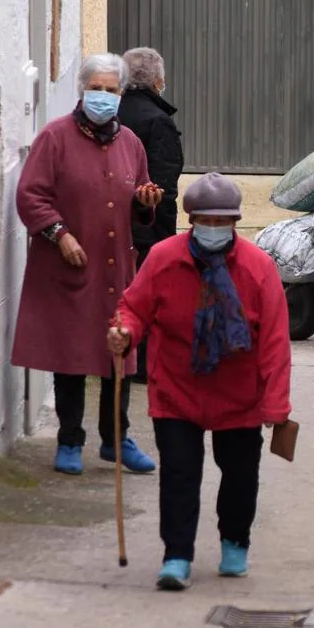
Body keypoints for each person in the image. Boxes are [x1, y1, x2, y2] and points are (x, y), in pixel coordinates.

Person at [107, 172, 292, 591]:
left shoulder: (258, 267)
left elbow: (276, 343)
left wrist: (275, 405)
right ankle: (176, 555)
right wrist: (124, 331)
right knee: (179, 474)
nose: (213, 229)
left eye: (222, 221)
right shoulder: (163, 258)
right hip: (177, 388)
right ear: (191, 220)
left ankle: (234, 542)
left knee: (241, 475)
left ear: (235, 221)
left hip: (239, 393)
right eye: (205, 221)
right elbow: (133, 307)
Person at [12, 53, 164, 475]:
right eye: (95, 89)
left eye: (110, 90)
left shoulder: (131, 143)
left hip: (116, 269)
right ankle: (70, 440)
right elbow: (31, 195)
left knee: (118, 352)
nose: (102, 97)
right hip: (70, 265)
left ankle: (115, 440)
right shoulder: (54, 138)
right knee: (72, 355)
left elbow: (136, 201)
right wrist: (59, 235)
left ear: (121, 94)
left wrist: (144, 202)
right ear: (82, 91)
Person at [119, 47, 185, 385]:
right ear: (158, 80)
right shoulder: (158, 120)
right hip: (148, 226)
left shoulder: (112, 112)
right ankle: (141, 365)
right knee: (147, 295)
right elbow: (164, 184)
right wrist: (164, 234)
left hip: (115, 225)